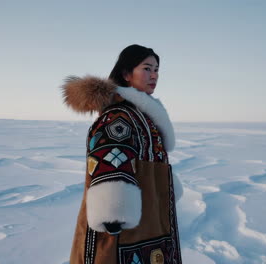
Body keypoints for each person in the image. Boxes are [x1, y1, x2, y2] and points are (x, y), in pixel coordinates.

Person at [62, 44, 183, 264]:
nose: (154, 75)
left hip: (150, 215)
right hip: (122, 225)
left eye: (156, 69)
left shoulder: (142, 115)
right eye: (147, 68)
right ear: (126, 73)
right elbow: (109, 157)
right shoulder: (117, 115)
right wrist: (113, 214)